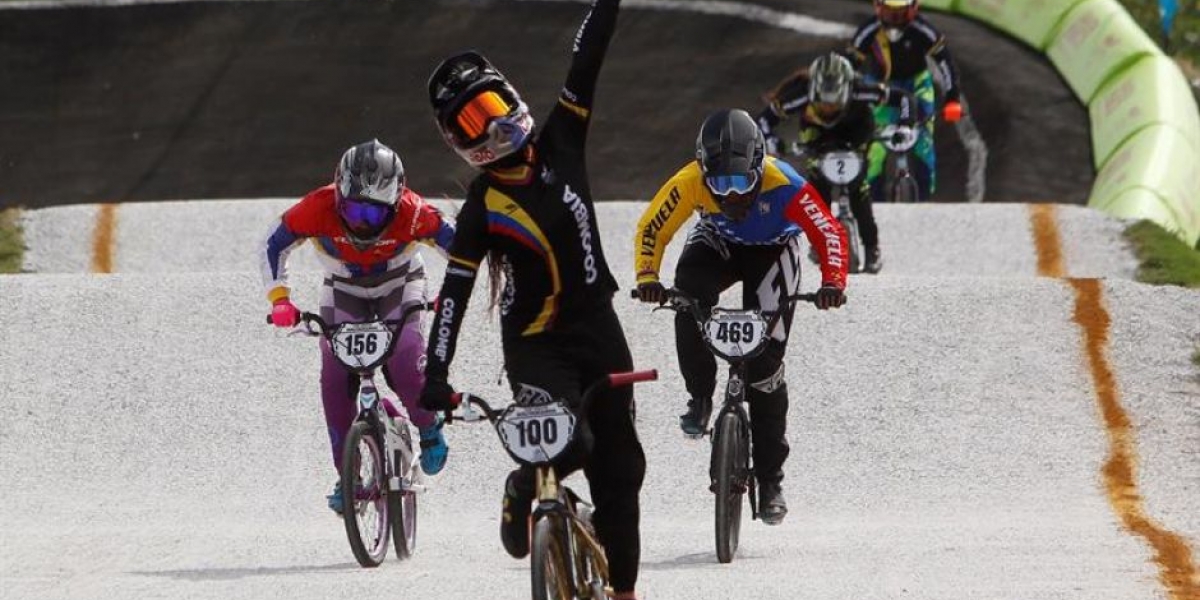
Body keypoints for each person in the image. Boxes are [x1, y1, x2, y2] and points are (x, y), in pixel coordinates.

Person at [417, 1, 644, 598]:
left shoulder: (563, 135)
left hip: (600, 329)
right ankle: (527, 484)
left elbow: (587, 53)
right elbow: (453, 297)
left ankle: (624, 591)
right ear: (457, 143)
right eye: (468, 125)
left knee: (621, 475)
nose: (487, 128)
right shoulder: (480, 209)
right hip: (536, 346)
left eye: (489, 109)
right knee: (574, 442)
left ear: (510, 98)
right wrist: (435, 375)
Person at [633, 108, 848, 525]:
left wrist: (833, 281)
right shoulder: (688, 182)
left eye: (742, 182)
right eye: (719, 184)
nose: (731, 195)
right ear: (702, 172)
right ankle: (700, 395)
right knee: (686, 297)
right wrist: (647, 276)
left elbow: (829, 232)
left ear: (759, 168)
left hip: (773, 252)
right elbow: (652, 228)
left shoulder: (787, 184)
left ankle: (770, 481)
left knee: (765, 369)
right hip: (719, 241)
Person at [261, 139, 455, 514]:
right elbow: (271, 243)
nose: (360, 223)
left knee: (405, 360)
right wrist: (279, 299)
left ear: (397, 202)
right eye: (351, 209)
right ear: (338, 197)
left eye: (373, 214)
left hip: (401, 284)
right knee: (335, 378)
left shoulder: (415, 212)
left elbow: (463, 246)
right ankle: (347, 474)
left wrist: (452, 293)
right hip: (343, 288)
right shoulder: (317, 206)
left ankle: (428, 426)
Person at [756, 52, 916, 273]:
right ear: (812, 92)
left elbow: (905, 99)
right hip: (817, 135)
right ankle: (819, 241)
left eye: (835, 103)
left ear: (847, 90)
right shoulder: (799, 95)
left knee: (859, 188)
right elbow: (763, 120)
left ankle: (872, 248)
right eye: (822, 103)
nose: (829, 108)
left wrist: (905, 125)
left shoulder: (861, 90)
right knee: (817, 187)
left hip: (857, 130)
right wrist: (771, 140)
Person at [847, 0, 963, 203]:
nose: (894, 20)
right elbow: (849, 67)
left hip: (917, 84)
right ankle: (874, 204)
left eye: (900, 13)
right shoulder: (868, 31)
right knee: (874, 149)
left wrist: (953, 99)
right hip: (880, 87)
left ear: (913, 9)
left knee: (924, 144)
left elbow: (945, 61)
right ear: (878, 7)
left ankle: (924, 203)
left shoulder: (923, 29)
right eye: (889, 12)